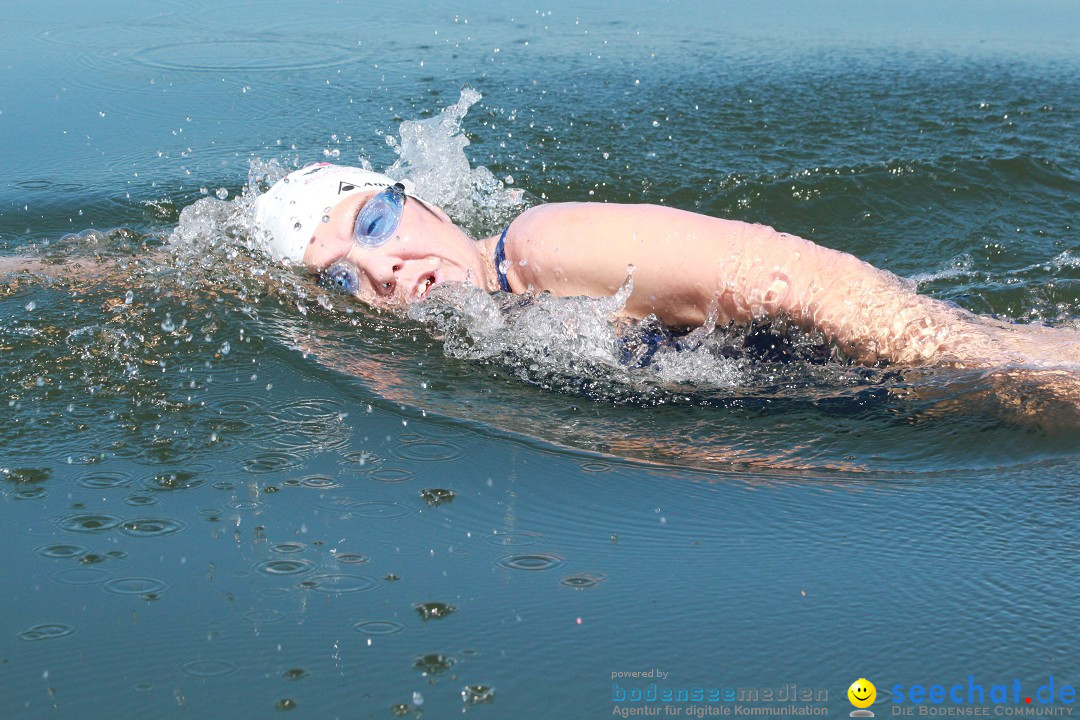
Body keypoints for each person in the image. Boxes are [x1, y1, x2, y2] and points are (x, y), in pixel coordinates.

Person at [254, 163, 1080, 370]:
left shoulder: (540, 245)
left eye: (376, 219)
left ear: (422, 197)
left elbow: (791, 276)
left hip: (931, 367)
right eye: (340, 277)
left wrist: (979, 367)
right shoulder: (484, 329)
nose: (385, 266)